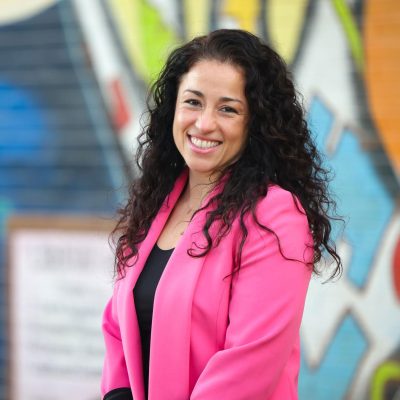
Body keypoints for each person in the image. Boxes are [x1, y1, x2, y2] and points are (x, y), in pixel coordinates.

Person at [101, 29, 341, 400]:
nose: (204, 124)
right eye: (193, 102)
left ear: (254, 123)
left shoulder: (274, 216)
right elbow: (118, 325)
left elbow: (249, 364)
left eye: (227, 108)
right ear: (173, 109)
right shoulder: (158, 203)